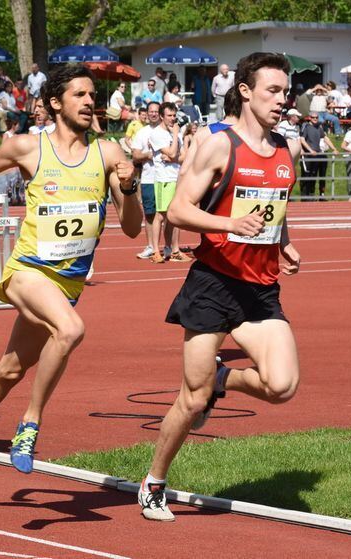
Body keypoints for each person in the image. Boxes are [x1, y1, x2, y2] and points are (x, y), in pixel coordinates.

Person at [0, 65, 143, 485]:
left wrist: (131, 185)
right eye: (79, 95)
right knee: (69, 331)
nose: (89, 102)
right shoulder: (28, 147)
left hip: (68, 283)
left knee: (11, 369)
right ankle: (29, 425)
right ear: (55, 103)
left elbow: (134, 227)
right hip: (27, 271)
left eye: (91, 96)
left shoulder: (108, 154)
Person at [138, 52, 303, 522]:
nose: (282, 98)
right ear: (245, 91)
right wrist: (231, 222)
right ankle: (154, 482)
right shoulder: (218, 145)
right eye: (272, 90)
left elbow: (275, 209)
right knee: (191, 399)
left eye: (285, 91)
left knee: (282, 385)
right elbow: (178, 211)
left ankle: (224, 377)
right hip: (213, 284)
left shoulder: (286, 150)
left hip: (260, 288)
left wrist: (283, 244)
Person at [149, 102, 190, 263]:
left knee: (175, 216)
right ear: (161, 116)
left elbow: (183, 157)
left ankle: (173, 249)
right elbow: (173, 153)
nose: (173, 119)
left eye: (174, 116)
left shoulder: (176, 134)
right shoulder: (157, 134)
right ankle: (154, 251)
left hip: (176, 178)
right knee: (161, 215)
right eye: (169, 116)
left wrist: (173, 157)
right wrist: (174, 140)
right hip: (163, 179)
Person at [132, 103, 161, 259]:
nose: (154, 114)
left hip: (167, 178)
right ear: (147, 114)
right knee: (150, 214)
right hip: (149, 178)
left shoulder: (167, 131)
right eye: (151, 112)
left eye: (156, 111)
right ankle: (151, 246)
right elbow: (135, 155)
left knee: (168, 214)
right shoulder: (142, 133)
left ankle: (169, 247)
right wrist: (148, 155)